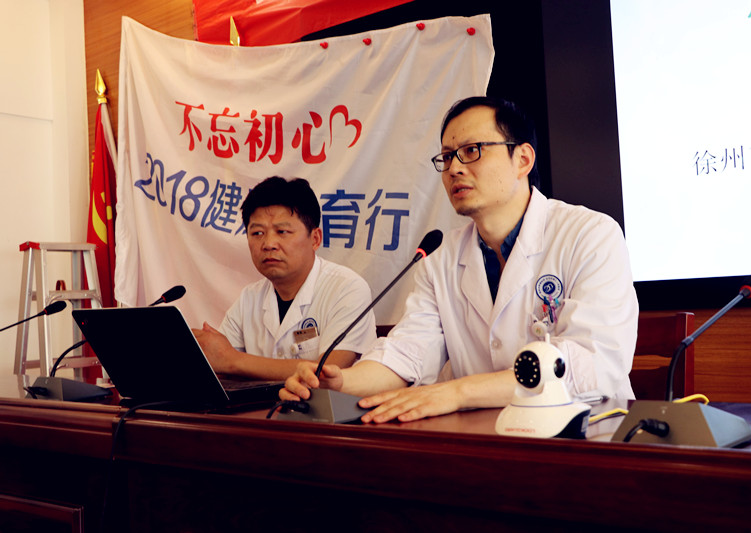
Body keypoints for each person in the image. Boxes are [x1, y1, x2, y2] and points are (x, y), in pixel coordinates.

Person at [281, 96, 638, 422]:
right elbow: (409, 352)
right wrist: (341, 382)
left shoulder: (590, 234)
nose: (454, 168)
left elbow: (593, 365)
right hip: (483, 437)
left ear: (523, 159)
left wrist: (458, 392)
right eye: (447, 157)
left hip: (587, 434)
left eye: (471, 150)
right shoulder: (441, 257)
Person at [193, 176, 376, 380]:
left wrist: (233, 361)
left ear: (315, 239)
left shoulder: (347, 288)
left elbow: (327, 372)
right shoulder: (249, 298)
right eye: (257, 233)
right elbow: (218, 366)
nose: (268, 244)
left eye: (282, 232)